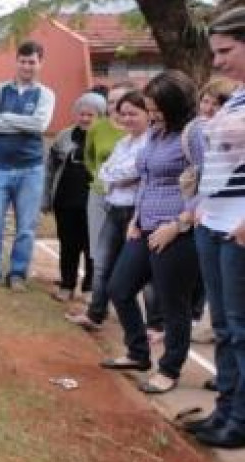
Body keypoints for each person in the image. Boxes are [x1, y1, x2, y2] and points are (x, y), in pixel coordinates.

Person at [99, 70, 198, 395]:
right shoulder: (156, 133)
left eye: (156, 108)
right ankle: (138, 353)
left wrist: (178, 225)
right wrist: (136, 218)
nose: (152, 114)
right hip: (144, 226)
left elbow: (207, 185)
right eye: (150, 107)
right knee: (119, 288)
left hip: (177, 232)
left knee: (173, 305)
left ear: (175, 105)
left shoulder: (193, 134)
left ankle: (169, 369)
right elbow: (146, 178)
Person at [182, 6, 245, 448]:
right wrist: (203, 206)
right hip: (214, 222)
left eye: (226, 51)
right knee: (223, 328)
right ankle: (224, 410)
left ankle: (240, 420)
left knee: (241, 330)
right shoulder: (237, 97)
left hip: (239, 228)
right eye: (215, 52)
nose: (218, 61)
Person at [65, 90, 153, 331]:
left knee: (143, 271)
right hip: (115, 208)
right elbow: (105, 171)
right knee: (102, 263)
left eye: (133, 114)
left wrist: (117, 174)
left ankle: (154, 323)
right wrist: (116, 175)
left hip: (138, 212)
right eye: (123, 114)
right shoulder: (124, 143)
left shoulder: (152, 142)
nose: (127, 119)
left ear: (148, 114)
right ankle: (96, 313)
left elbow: (133, 171)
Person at [0, 40, 56, 291]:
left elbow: (40, 125)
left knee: (26, 228)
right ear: (17, 62)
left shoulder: (45, 94)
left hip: (30, 170)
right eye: (23, 61)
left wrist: (6, 118)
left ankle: (17, 274)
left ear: (40, 63)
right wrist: (23, 123)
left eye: (32, 62)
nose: (27, 66)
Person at [182, 76, 239, 346]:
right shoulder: (198, 130)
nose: (207, 108)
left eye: (215, 104)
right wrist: (199, 206)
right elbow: (203, 172)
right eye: (204, 101)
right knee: (220, 311)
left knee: (234, 312)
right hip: (207, 218)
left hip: (232, 224)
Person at [43, 92, 105, 301]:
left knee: (92, 246)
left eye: (90, 115)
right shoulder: (64, 136)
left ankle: (89, 288)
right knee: (68, 244)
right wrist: (46, 197)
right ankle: (67, 284)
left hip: (95, 202)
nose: (85, 118)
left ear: (101, 115)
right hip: (66, 199)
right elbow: (50, 168)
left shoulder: (108, 138)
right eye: (81, 114)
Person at [85, 82, 136, 301]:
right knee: (100, 253)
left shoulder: (140, 131)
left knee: (127, 255)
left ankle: (122, 300)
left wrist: (117, 177)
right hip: (100, 193)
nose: (115, 106)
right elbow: (90, 157)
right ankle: (98, 305)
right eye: (111, 102)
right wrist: (99, 177)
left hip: (129, 200)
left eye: (120, 101)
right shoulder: (98, 127)